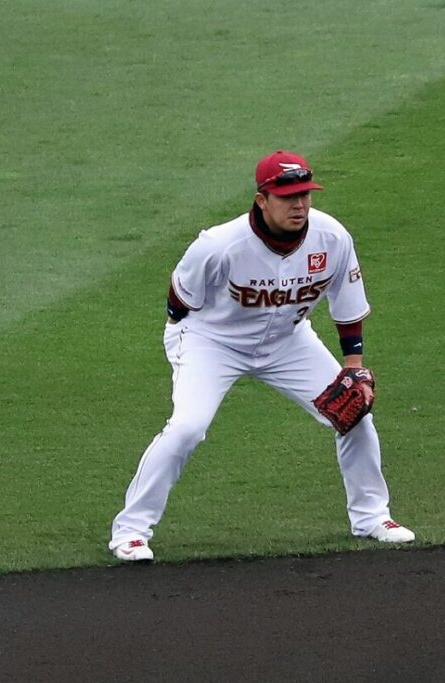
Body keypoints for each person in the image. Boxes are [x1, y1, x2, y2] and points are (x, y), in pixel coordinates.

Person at [109, 150, 414, 561]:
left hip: (288, 341)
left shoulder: (332, 238)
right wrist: (193, 341)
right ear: (262, 199)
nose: (300, 205)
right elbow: (179, 301)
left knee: (354, 415)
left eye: (305, 194)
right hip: (211, 341)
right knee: (187, 428)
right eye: (288, 196)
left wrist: (353, 367)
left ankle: (372, 517)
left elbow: (348, 305)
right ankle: (130, 531)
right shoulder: (219, 246)